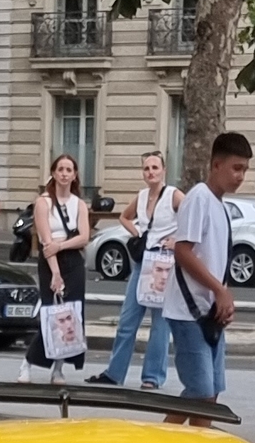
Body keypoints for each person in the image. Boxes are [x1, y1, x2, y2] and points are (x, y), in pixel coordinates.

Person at [167, 131, 252, 401]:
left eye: (245, 170)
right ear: (216, 165)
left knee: (211, 392)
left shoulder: (219, 205)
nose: (241, 176)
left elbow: (213, 258)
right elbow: (182, 251)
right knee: (200, 392)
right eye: (236, 168)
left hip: (207, 309)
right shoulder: (199, 198)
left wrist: (221, 297)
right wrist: (219, 289)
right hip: (188, 311)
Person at [103, 149, 178, 389]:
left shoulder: (174, 195)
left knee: (160, 323)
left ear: (164, 170)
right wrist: (137, 232)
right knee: (128, 319)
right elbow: (124, 217)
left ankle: (152, 377)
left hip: (164, 263)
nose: (151, 172)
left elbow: (195, 217)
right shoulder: (143, 196)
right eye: (146, 168)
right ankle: (115, 373)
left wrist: (177, 239)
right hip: (142, 262)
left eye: (155, 167)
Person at [29, 152, 90, 375]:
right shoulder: (43, 203)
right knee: (51, 313)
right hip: (50, 262)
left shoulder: (80, 205)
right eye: (60, 170)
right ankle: (28, 362)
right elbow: (46, 241)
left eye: (69, 170)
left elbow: (84, 237)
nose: (64, 174)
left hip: (73, 261)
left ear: (75, 176)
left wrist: (61, 245)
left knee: (70, 316)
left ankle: (59, 368)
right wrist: (55, 273)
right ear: (53, 173)